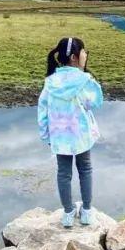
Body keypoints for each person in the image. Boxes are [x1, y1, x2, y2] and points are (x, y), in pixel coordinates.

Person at [38, 36, 104, 228]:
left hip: (60, 136)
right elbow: (95, 102)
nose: (85, 55)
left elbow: (42, 110)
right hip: (81, 135)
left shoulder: (50, 81)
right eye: (84, 52)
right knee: (85, 169)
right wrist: (84, 74)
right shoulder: (83, 80)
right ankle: (86, 212)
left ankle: (68, 213)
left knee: (63, 173)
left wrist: (46, 135)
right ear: (75, 57)